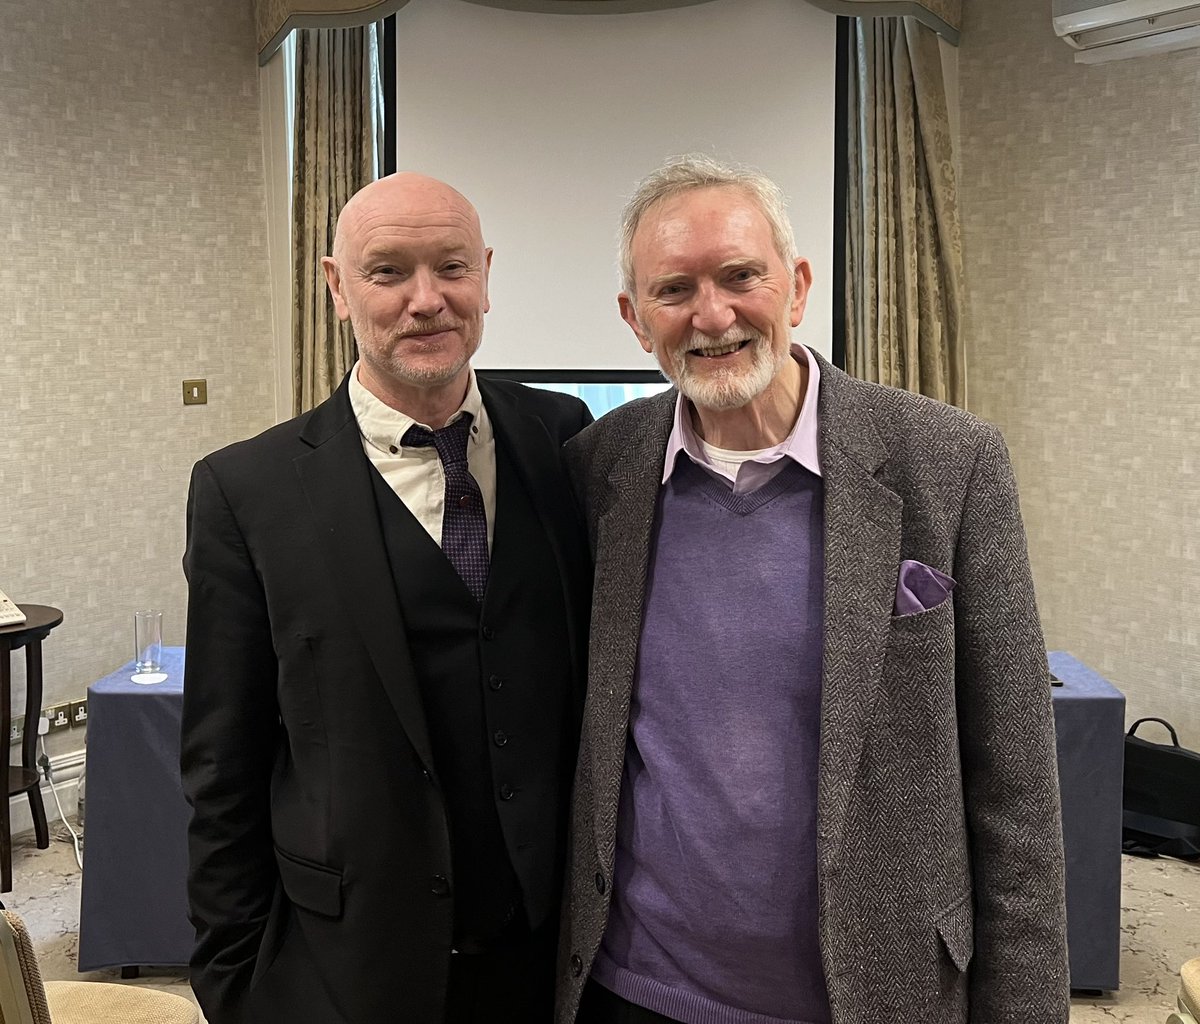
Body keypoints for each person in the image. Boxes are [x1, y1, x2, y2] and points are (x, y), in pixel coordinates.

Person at [557, 155, 1069, 1024]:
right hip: (630, 989)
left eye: (740, 276)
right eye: (673, 288)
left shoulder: (949, 462)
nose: (711, 315)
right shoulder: (598, 470)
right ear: (634, 319)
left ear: (795, 286)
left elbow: (1015, 788)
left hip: (875, 990)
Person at [181, 172, 592, 1024]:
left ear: (485, 274)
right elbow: (223, 762)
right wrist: (233, 978)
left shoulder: (563, 436)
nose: (426, 300)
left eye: (450, 267)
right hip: (351, 961)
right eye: (388, 272)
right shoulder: (244, 491)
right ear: (336, 286)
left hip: (551, 954)